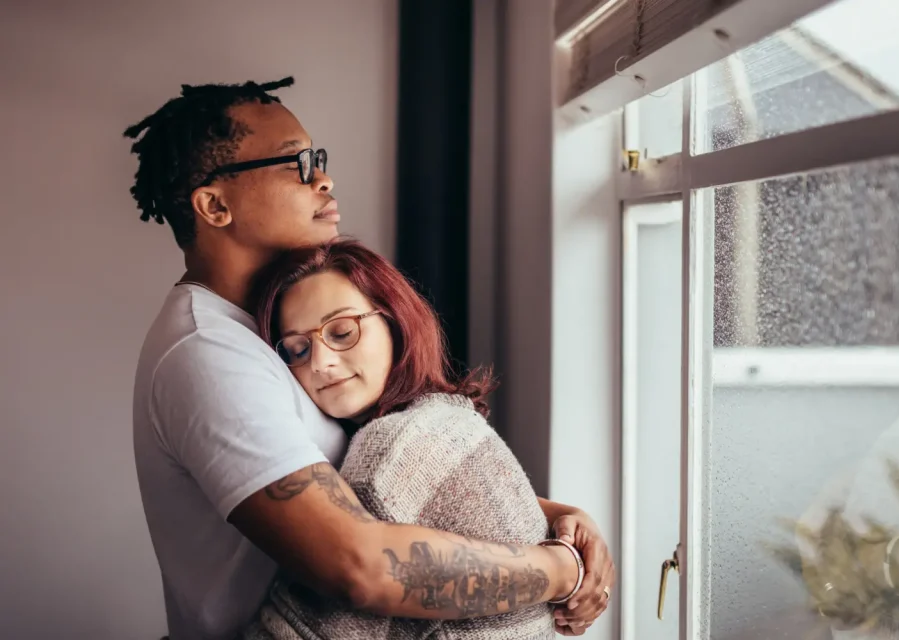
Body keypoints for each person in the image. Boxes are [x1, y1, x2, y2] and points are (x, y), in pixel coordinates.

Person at [125, 77, 614, 640]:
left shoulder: (265, 328)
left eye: (319, 159)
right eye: (296, 163)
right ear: (214, 204)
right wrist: (560, 569)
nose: (324, 178)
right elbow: (358, 565)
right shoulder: (210, 354)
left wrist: (555, 519)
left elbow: (375, 483)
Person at [239, 238, 571, 639]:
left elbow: (305, 631)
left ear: (395, 320)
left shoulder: (391, 447)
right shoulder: (448, 419)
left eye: (342, 332)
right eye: (297, 349)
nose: (321, 362)